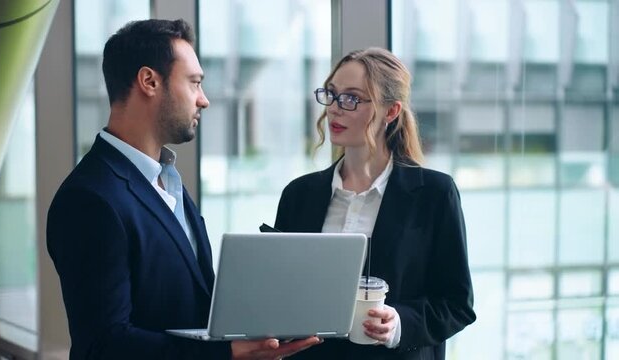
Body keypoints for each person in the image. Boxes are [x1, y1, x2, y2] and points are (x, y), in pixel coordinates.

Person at [47, 19, 320, 359]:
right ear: (149, 81)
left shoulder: (167, 181)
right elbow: (103, 345)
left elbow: (188, 303)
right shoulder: (89, 198)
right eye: (194, 83)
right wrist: (227, 354)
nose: (203, 100)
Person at [273, 47, 476, 359]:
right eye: (332, 94)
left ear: (391, 112)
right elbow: (281, 292)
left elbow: (456, 304)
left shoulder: (434, 193)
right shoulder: (299, 194)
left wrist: (398, 323)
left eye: (351, 98)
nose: (335, 109)